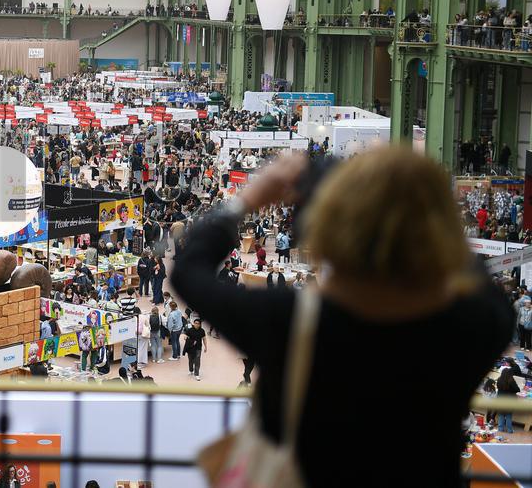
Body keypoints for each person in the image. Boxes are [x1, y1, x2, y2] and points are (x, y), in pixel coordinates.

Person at [170, 149, 514, 487]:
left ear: (328, 222)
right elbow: (474, 274)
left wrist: (246, 201)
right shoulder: (477, 322)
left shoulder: (292, 321)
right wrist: (421, 215)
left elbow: (188, 271)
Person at [497, 367, 521, 433]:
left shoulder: (499, 379)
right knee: (508, 416)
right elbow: (517, 389)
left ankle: (500, 429)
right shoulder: (511, 381)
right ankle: (509, 430)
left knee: (501, 415)